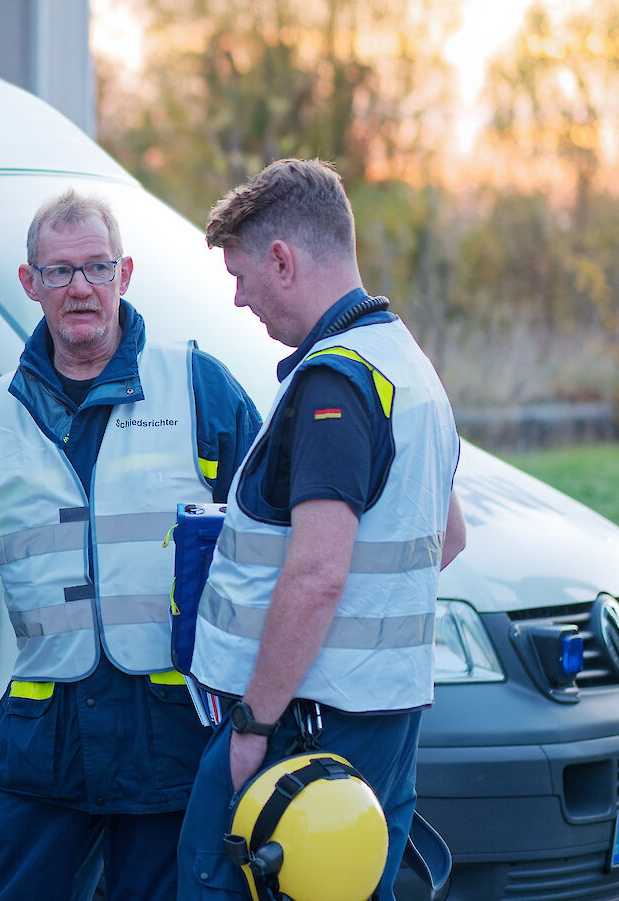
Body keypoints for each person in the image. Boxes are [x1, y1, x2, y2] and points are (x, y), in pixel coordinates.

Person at [0, 188, 262, 901]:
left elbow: (271, 524)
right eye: (59, 271)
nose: (80, 287)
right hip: (47, 738)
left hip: (167, 731)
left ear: (124, 274)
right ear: (31, 283)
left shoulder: (198, 388)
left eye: (96, 267)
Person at [176, 159, 466, 901]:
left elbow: (318, 574)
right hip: (379, 726)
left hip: (302, 723)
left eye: (241, 276)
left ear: (283, 259)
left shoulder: (334, 382)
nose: (239, 300)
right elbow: (448, 535)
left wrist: (254, 722)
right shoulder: (406, 365)